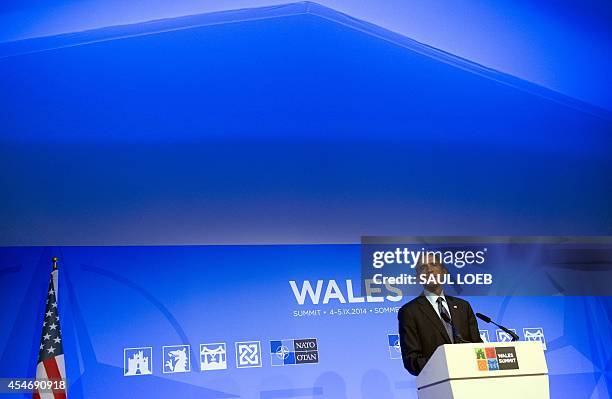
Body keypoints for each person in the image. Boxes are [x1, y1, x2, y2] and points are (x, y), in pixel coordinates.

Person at [398, 253, 482, 376]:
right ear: (417, 278)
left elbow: (477, 346)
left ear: (444, 272)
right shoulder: (409, 311)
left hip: (470, 379)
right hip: (438, 384)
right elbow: (412, 359)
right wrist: (444, 368)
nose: (429, 270)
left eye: (434, 264)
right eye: (423, 267)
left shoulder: (463, 306)